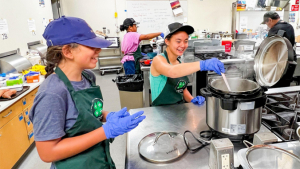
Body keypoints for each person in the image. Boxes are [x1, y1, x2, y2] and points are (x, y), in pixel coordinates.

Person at [29, 16, 146, 169]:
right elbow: (47, 152)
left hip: (99, 160)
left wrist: (107, 115)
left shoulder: (88, 77)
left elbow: (82, 112)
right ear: (68, 51)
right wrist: (106, 131)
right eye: (91, 46)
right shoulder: (53, 93)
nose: (98, 50)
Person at [150, 22, 225, 106]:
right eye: (178, 41)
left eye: (185, 41)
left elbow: (182, 89)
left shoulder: (180, 62)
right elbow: (172, 71)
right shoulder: (158, 60)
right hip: (160, 113)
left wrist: (192, 99)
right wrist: (203, 64)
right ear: (167, 41)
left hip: (178, 111)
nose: (183, 45)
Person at [261, 11, 296, 87]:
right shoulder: (289, 26)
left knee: (275, 85)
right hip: (291, 59)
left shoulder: (274, 29)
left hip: (278, 61)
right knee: (285, 85)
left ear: (270, 20)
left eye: (266, 23)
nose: (268, 26)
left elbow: (270, 47)